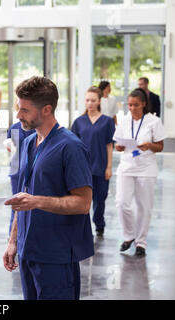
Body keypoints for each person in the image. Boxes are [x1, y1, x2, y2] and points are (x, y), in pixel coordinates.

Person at [3, 76, 94, 300]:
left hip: (56, 256)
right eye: (18, 108)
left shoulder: (70, 147)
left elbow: (83, 203)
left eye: (24, 110)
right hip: (27, 251)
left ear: (46, 109)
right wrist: (13, 241)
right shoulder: (27, 143)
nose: (18, 115)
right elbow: (23, 194)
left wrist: (37, 201)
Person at [113, 88, 166, 257]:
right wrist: (119, 147)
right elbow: (117, 144)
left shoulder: (153, 121)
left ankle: (141, 242)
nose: (132, 108)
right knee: (122, 202)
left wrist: (149, 145)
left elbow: (160, 146)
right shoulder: (124, 121)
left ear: (144, 104)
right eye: (129, 105)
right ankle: (129, 236)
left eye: (136, 105)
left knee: (144, 206)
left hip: (146, 168)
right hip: (127, 166)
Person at [71, 86, 115, 237]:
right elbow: (73, 147)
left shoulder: (107, 122)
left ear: (99, 101)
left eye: (93, 100)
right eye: (87, 100)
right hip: (82, 168)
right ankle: (82, 227)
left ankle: (99, 223)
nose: (90, 103)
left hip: (101, 166)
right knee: (82, 200)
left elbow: (109, 145)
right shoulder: (78, 122)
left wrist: (109, 167)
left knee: (100, 198)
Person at [4, 104, 35, 236]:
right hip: (17, 170)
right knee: (15, 203)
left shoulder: (36, 128)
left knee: (31, 202)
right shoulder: (14, 128)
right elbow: (9, 146)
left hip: (33, 168)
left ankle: (28, 233)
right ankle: (13, 234)